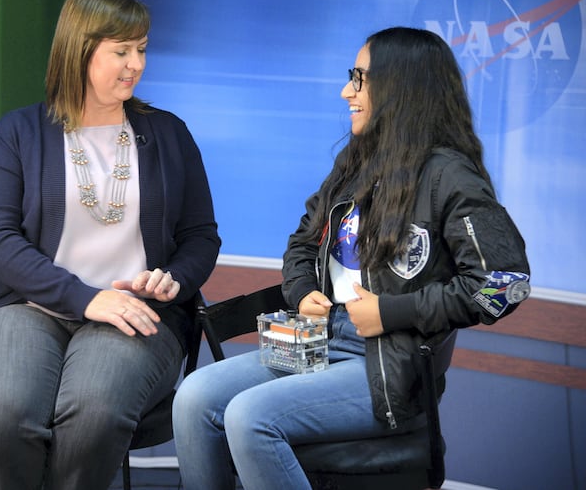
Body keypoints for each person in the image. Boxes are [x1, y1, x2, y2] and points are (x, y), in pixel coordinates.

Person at [172, 26, 530, 490]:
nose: (346, 91)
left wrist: (390, 311)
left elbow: (506, 284)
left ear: (400, 87)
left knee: (249, 418)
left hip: (389, 364)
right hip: (319, 340)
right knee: (193, 397)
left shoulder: (449, 176)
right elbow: (302, 242)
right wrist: (303, 292)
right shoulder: (357, 160)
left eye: (359, 78)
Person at [0, 0, 221, 490]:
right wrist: (86, 298)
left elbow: (200, 236)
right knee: (2, 414)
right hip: (24, 305)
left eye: (141, 49)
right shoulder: (19, 132)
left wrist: (174, 279)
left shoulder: (169, 134)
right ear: (79, 50)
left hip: (136, 312)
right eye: (121, 50)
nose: (136, 64)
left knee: (94, 414)